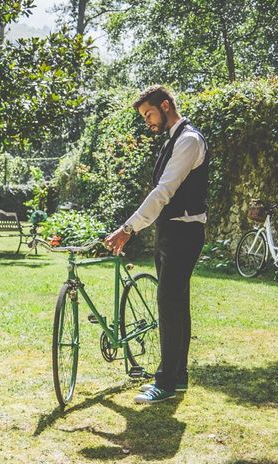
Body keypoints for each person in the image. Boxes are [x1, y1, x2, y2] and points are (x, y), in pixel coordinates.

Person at [105, 84, 208, 404]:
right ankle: (178, 377)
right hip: (170, 232)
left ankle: (164, 382)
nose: (148, 120)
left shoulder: (189, 140)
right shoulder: (173, 140)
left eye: (149, 113)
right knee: (175, 305)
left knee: (169, 304)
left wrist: (127, 229)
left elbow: (163, 192)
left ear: (165, 106)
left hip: (184, 232)